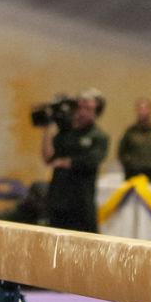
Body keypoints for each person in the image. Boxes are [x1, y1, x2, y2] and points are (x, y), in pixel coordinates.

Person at [40, 91, 109, 232]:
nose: (82, 112)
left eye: (88, 109)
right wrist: (47, 129)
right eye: (80, 107)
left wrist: (66, 162)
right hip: (58, 199)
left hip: (82, 203)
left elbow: (91, 161)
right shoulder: (65, 134)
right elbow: (49, 158)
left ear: (96, 113)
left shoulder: (99, 136)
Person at [117, 98, 151, 181]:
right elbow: (121, 152)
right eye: (140, 109)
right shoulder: (130, 132)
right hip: (134, 174)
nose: (143, 112)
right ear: (136, 111)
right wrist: (130, 163)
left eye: (146, 108)